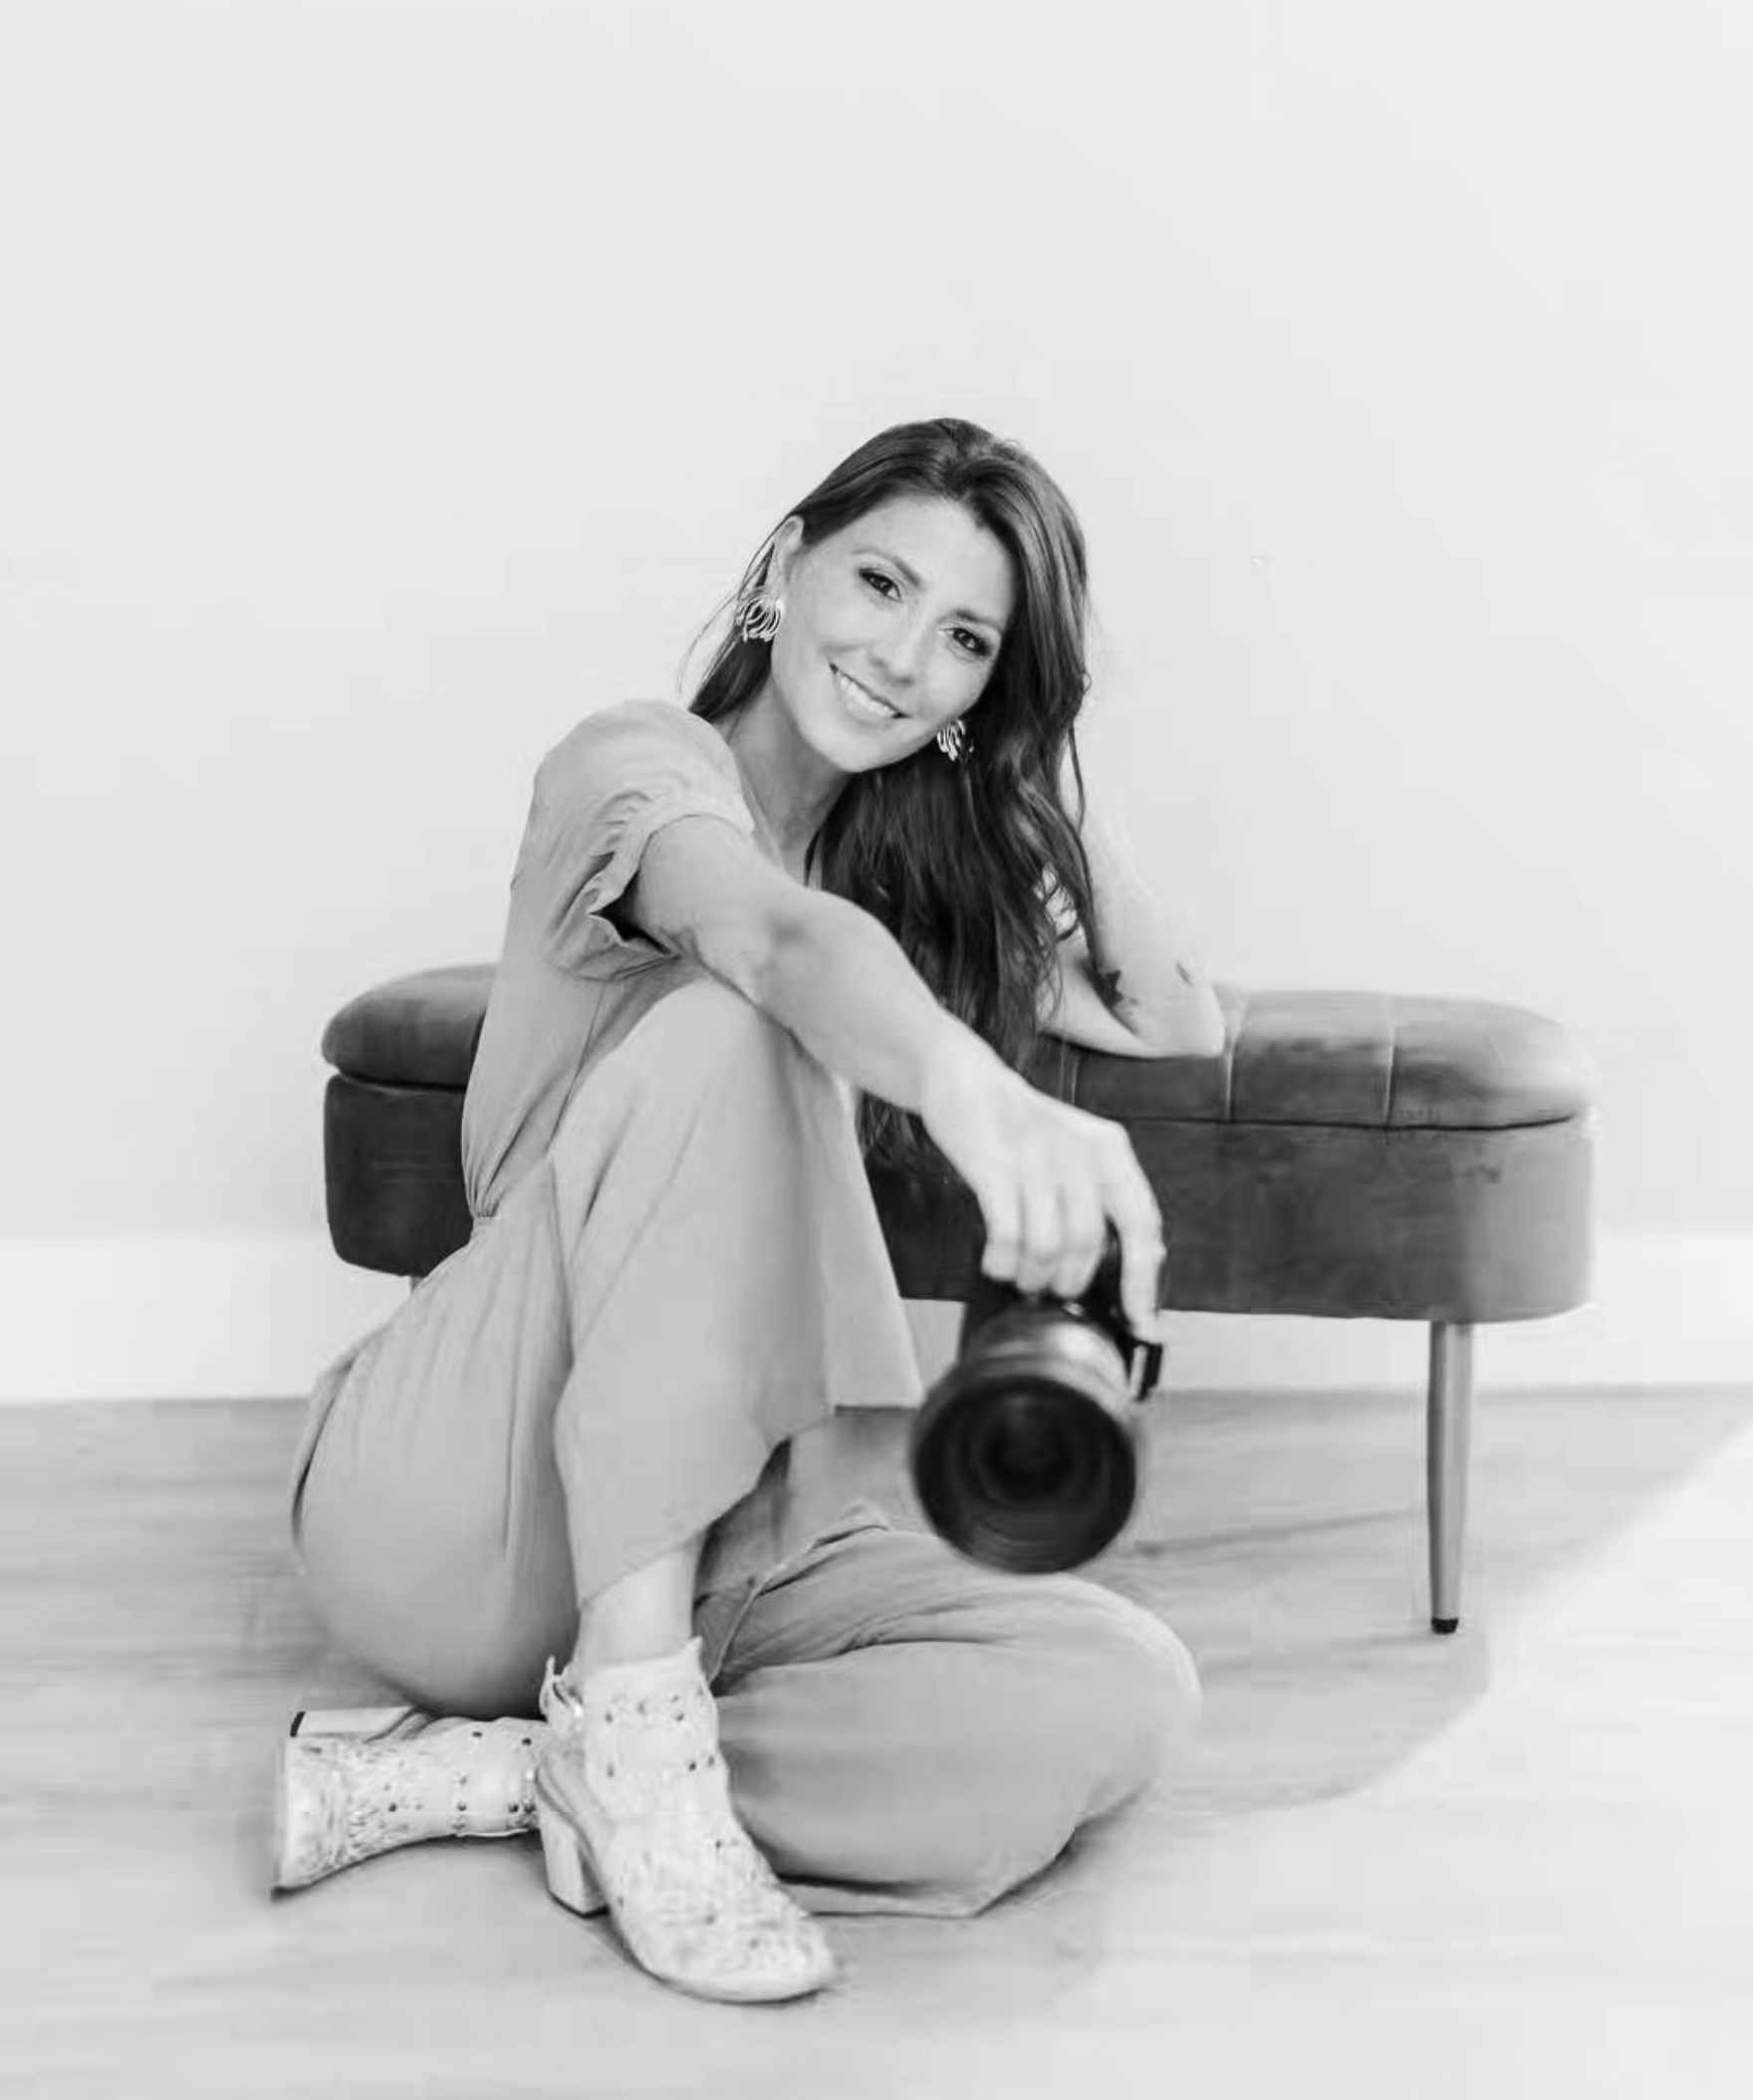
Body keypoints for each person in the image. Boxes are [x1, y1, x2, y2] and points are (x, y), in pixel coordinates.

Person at [278, 415, 1204, 2006]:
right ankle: (638, 1743)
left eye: (966, 639)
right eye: (882, 584)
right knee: (735, 1019)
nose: (903, 656)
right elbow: (770, 943)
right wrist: (971, 1090)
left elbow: (1170, 1017)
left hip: (726, 1540)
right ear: (788, 565)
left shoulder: (900, 892)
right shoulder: (636, 768)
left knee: (1123, 1684)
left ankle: (525, 1770)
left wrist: (1031, 760)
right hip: (469, 1493)